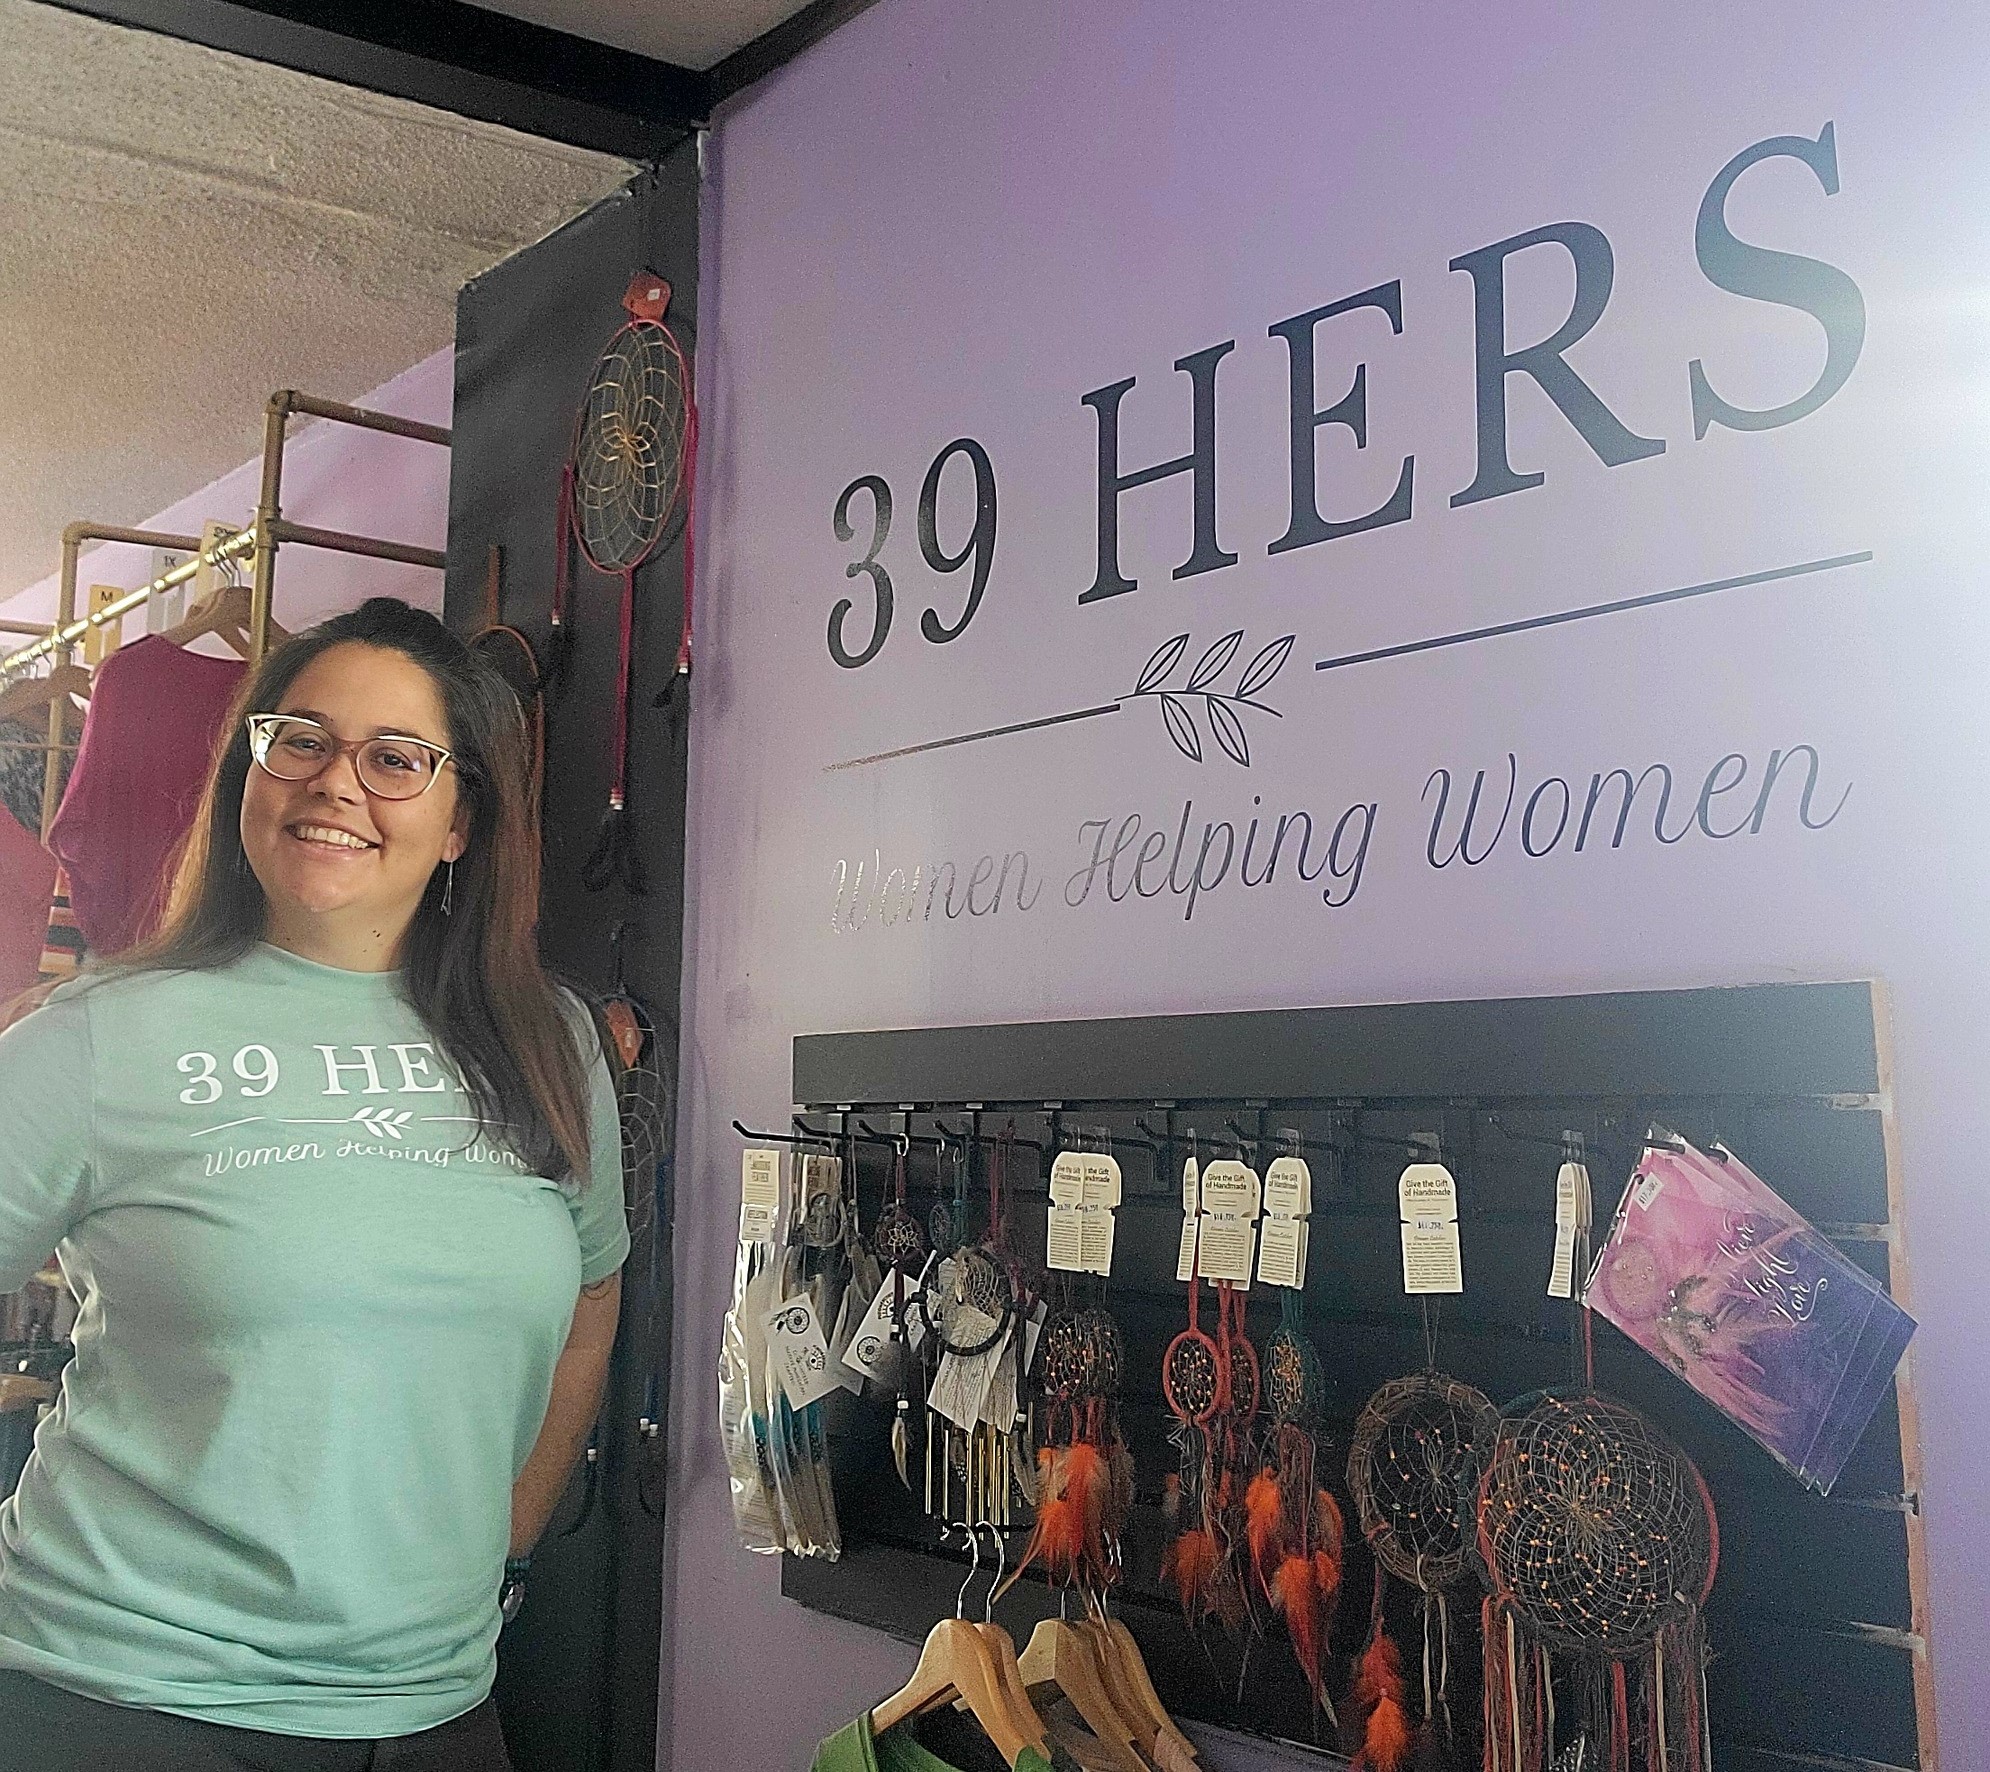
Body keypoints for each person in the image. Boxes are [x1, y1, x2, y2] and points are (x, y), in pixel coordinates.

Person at [0, 598, 629, 1771]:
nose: (337, 782)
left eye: (395, 759)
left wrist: (505, 1535)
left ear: (460, 821)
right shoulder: (103, 1035)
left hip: (437, 1710)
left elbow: (592, 1300)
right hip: (116, 1701)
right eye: (300, 739)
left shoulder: (549, 1040)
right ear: (252, 769)